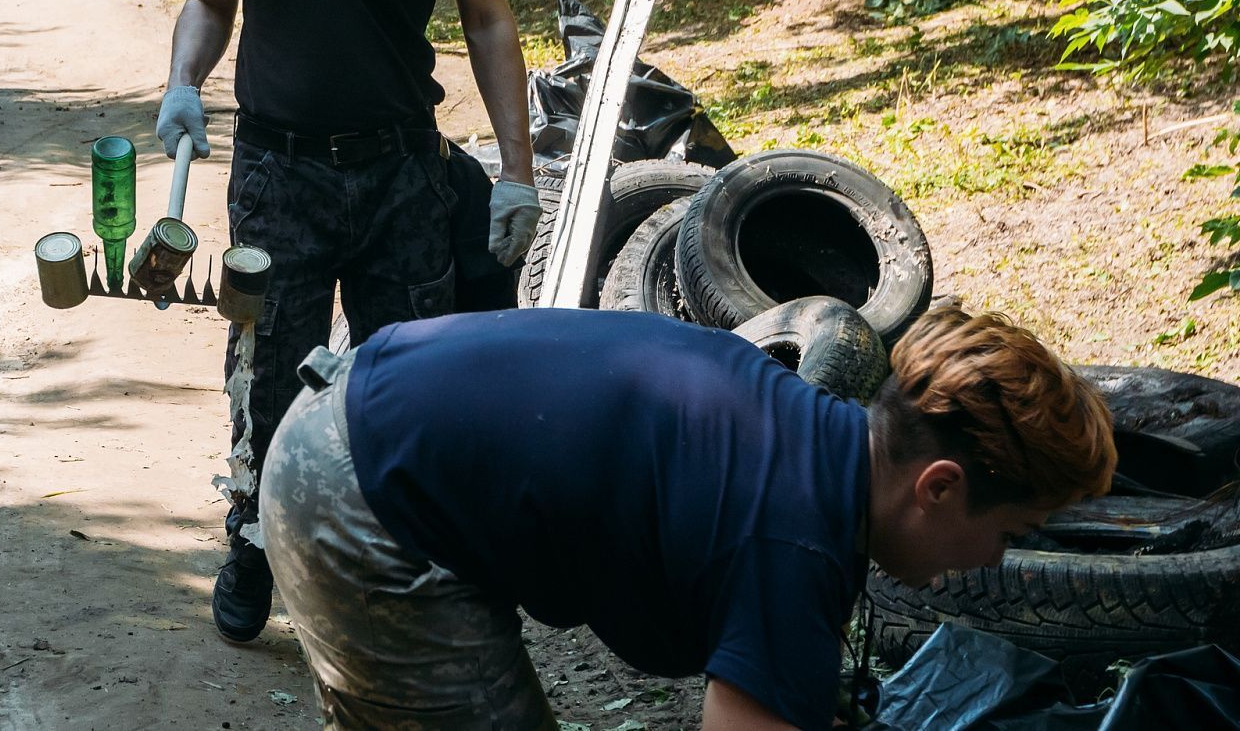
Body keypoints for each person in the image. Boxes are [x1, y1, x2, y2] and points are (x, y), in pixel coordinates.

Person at [156, 0, 542, 643]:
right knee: (269, 370)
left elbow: (488, 19)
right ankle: (251, 539)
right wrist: (180, 82)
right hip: (278, 174)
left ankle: (394, 561)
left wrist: (515, 170)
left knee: (407, 382)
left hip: (400, 174)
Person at [260, 306, 1118, 731]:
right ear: (936, 486)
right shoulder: (794, 536)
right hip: (361, 496)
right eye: (1009, 534)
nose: (995, 562)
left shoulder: (812, 441)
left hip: (363, 410)